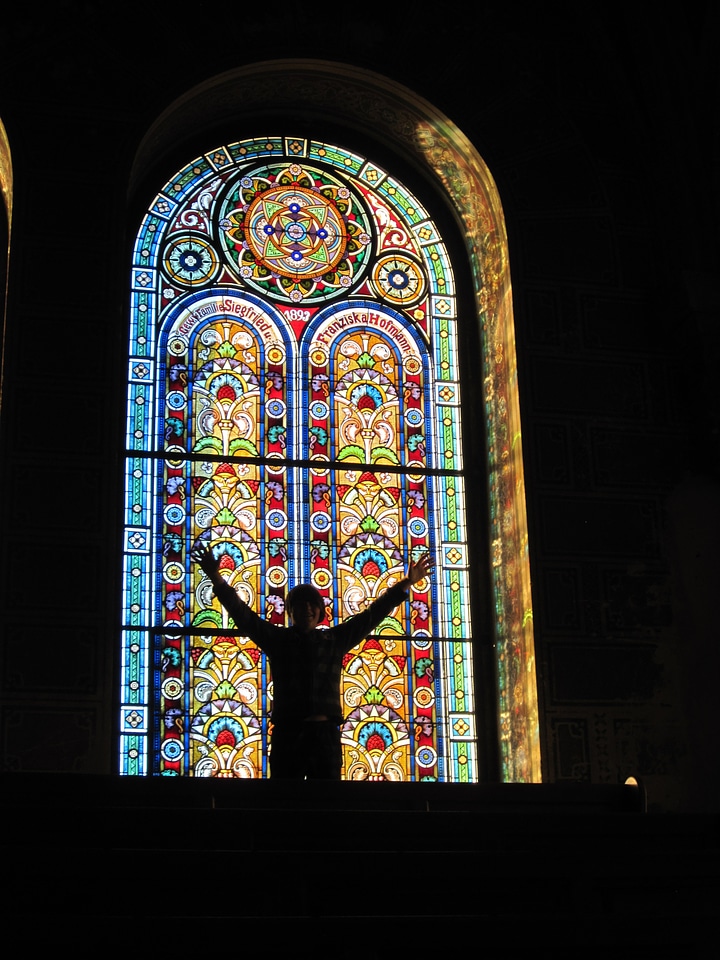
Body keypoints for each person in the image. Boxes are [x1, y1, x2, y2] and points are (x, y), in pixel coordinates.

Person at [190, 544, 434, 779]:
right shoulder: (279, 640)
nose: (306, 608)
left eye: (311, 604)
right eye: (299, 604)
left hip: (324, 735)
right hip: (288, 734)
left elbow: (372, 615)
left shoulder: (334, 640)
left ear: (319, 611)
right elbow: (243, 615)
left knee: (327, 805)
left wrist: (408, 582)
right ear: (291, 611)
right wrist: (216, 577)